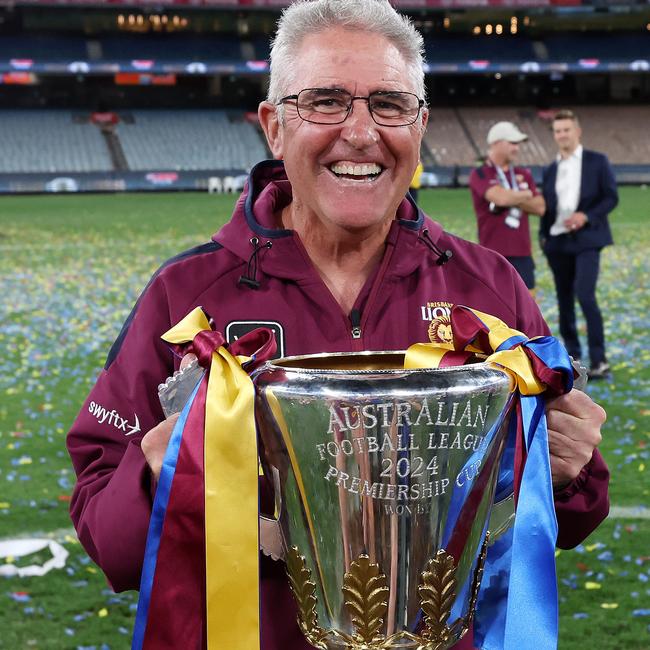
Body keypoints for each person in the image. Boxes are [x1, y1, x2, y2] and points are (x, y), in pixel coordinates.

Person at [67, 2, 609, 649]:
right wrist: (160, 476)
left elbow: (567, 515)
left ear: (421, 125)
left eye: (389, 104)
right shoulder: (183, 300)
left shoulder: (488, 287)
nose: (360, 132)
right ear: (274, 126)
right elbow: (109, 539)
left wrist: (571, 472)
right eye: (325, 101)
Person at [540, 109, 618, 379]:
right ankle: (574, 359)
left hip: (588, 240)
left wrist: (586, 216)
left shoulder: (597, 161)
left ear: (577, 131)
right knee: (564, 302)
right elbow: (546, 209)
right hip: (557, 243)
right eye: (558, 131)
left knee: (585, 295)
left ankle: (600, 360)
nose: (562, 135)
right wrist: (544, 238)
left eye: (566, 129)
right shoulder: (550, 170)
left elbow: (611, 197)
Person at [469, 121, 546, 291]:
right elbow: (500, 199)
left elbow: (540, 207)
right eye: (512, 143)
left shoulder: (523, 173)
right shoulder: (481, 173)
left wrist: (511, 197)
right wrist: (525, 195)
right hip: (493, 255)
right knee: (496, 314)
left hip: (524, 254)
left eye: (518, 144)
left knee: (528, 312)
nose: (517, 148)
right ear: (496, 143)